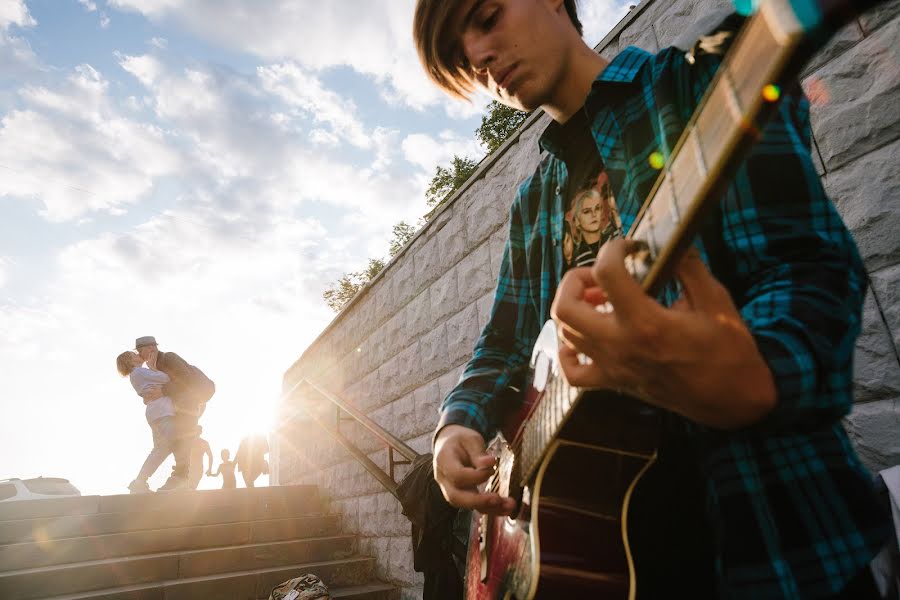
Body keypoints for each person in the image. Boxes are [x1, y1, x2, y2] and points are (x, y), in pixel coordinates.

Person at [413, 1, 889, 598]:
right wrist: (454, 427)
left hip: (779, 544)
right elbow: (503, 345)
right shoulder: (532, 202)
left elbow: (804, 265)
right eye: (462, 60)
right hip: (610, 564)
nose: (480, 58)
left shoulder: (695, 85)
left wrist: (755, 373)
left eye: (487, 18)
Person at [135, 336, 206, 491]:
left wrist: (163, 391)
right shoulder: (154, 366)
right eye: (139, 353)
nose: (140, 356)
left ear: (151, 348)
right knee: (177, 440)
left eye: (141, 352)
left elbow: (186, 380)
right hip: (177, 405)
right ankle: (179, 479)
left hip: (190, 401)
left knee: (182, 438)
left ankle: (179, 479)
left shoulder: (169, 358)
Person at [116, 350, 184, 493]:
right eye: (134, 355)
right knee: (171, 445)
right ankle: (143, 482)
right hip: (162, 411)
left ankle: (140, 482)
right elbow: (166, 378)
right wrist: (153, 366)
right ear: (130, 361)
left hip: (156, 412)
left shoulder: (137, 374)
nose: (137, 354)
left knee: (161, 449)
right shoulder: (139, 372)